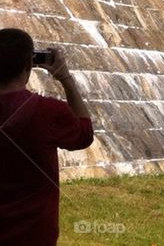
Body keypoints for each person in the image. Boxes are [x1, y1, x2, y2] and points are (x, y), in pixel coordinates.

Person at [0, 29, 94, 246]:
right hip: (34, 235)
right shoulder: (49, 112)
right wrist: (65, 78)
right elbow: (84, 135)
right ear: (28, 66)